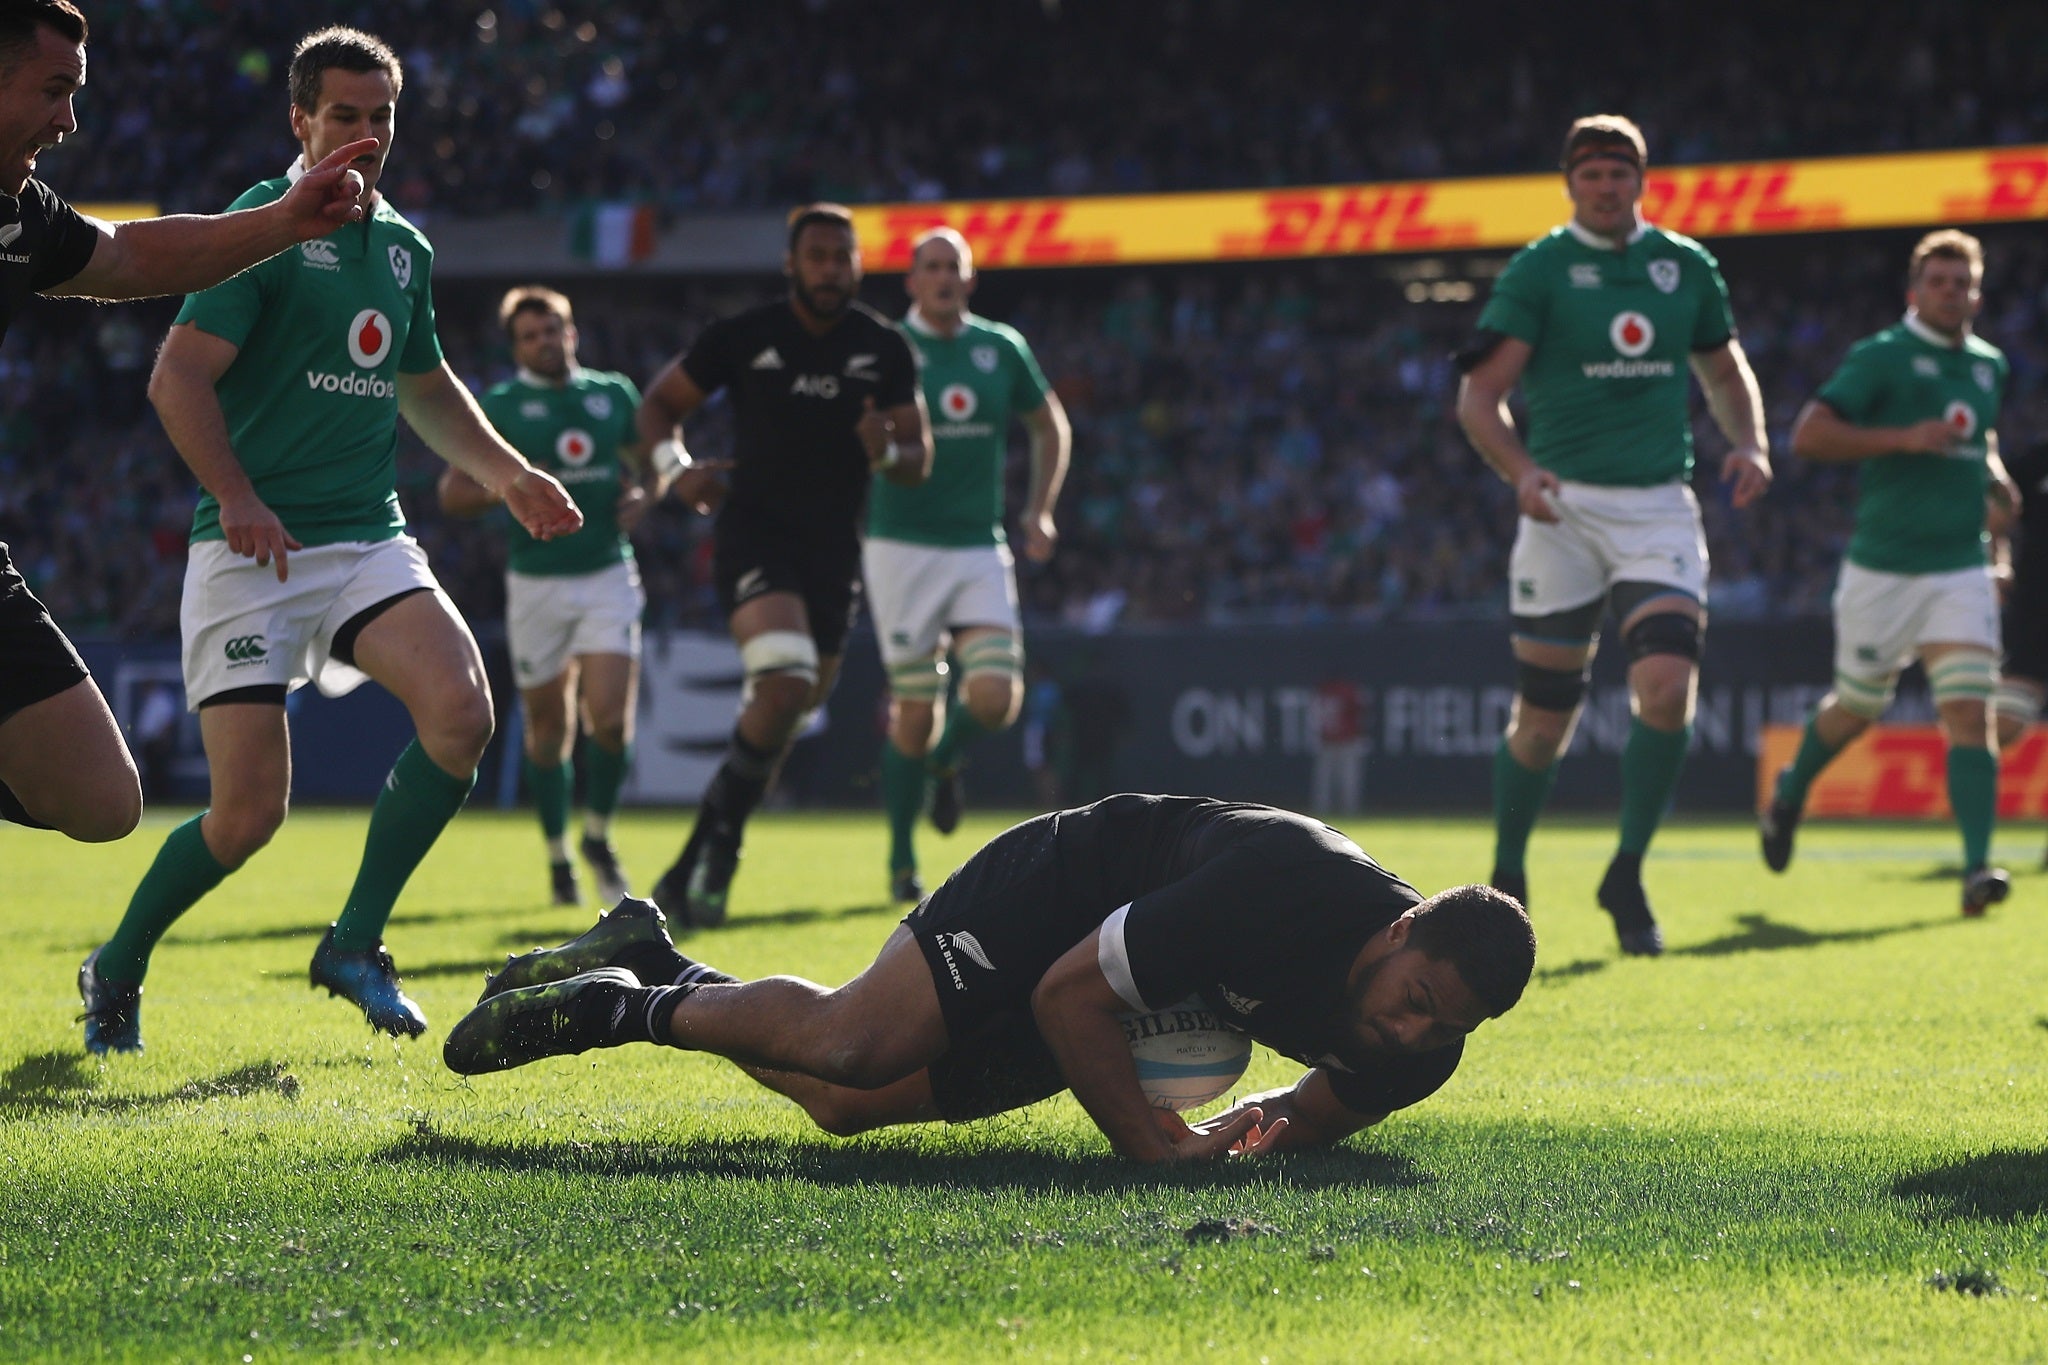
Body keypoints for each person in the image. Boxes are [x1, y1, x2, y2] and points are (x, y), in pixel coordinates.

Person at [78, 27, 582, 1055]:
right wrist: (239, 494)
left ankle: (354, 943)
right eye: (343, 116)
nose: (364, 135)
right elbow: (176, 378)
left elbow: (424, 385)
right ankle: (117, 964)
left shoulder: (403, 246)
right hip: (249, 550)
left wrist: (507, 472)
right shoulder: (257, 229)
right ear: (299, 119)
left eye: (380, 117)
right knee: (246, 817)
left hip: (364, 539)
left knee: (461, 713)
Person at [442, 794, 1537, 1164]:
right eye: (1416, 1001)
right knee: (851, 1044)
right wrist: (1146, 1151)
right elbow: (1070, 994)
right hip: (1060, 888)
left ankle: (653, 956)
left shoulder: (1423, 1049)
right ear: (1400, 933)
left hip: (1130, 979)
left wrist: (1239, 1136)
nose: (1410, 1034)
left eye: (1445, 1031)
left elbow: (1304, 1111)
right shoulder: (1283, 881)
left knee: (843, 1108)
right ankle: (614, 1008)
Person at [0, 0, 374, 849]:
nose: (68, 120)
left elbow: (132, 257)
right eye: (54, 90)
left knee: (102, 800)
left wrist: (284, 220)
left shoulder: (17, 217)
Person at [1455, 114, 1771, 957]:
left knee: (1667, 688)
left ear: (1641, 179)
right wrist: (1521, 471)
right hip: (1560, 512)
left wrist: (1750, 442)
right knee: (1543, 720)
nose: (1606, 187)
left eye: (1619, 173)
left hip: (1659, 505)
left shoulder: (1684, 266)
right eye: (1591, 174)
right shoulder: (1541, 270)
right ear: (1570, 182)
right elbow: (1479, 398)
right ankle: (1509, 871)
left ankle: (1626, 870)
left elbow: (1723, 367)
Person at [637, 203, 929, 927]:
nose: (831, 268)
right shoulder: (744, 335)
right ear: (791, 264)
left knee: (785, 709)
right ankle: (708, 856)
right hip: (754, 536)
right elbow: (657, 407)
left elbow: (919, 459)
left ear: (859, 266)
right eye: (818, 255)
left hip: (833, 553)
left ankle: (704, 853)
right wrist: (675, 473)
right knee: (786, 682)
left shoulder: (885, 347)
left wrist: (884, 451)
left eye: (843, 256)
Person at [1760, 230, 2016, 916]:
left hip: (1960, 566)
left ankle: (1975, 869)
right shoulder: (1881, 357)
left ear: (1977, 293)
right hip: (1884, 568)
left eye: (1962, 283)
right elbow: (1810, 434)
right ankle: (1791, 788)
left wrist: (1996, 483)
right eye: (1938, 282)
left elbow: (1979, 438)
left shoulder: (1990, 364)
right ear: (1915, 291)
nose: (1950, 293)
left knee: (1968, 711)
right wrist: (1901, 438)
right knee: (1859, 706)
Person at [868, 226, 1070, 902]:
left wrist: (1039, 508)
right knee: (913, 710)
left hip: (977, 544)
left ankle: (946, 758)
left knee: (994, 698)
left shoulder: (999, 347)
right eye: (930, 266)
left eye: (953, 265)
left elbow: (1050, 424)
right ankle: (900, 857)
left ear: (971, 277)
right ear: (912, 281)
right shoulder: (887, 349)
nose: (943, 276)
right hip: (899, 546)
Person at [439, 286, 658, 907]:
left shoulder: (613, 393)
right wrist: (508, 487)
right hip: (535, 581)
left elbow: (651, 462)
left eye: (554, 329)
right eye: (532, 335)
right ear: (516, 347)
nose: (546, 342)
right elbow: (454, 493)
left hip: (607, 572)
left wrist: (646, 491)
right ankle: (559, 853)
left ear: (573, 332)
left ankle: (598, 835)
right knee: (547, 726)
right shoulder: (502, 405)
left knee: (610, 718)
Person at [1993, 439, 2048, 862]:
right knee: (2003, 725)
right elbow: (1994, 507)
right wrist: (1999, 559)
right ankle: (1975, 836)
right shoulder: (2034, 462)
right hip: (2035, 614)